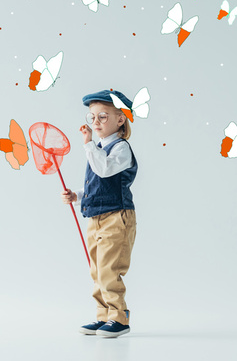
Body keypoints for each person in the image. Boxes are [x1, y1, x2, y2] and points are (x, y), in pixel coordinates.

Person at [61, 89, 138, 338]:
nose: (95, 122)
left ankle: (119, 318)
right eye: (92, 117)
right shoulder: (98, 149)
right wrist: (78, 196)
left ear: (120, 119)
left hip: (117, 217)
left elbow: (105, 170)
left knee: (108, 268)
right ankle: (103, 316)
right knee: (96, 270)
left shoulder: (121, 149)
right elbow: (98, 184)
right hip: (96, 217)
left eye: (103, 116)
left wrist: (88, 145)